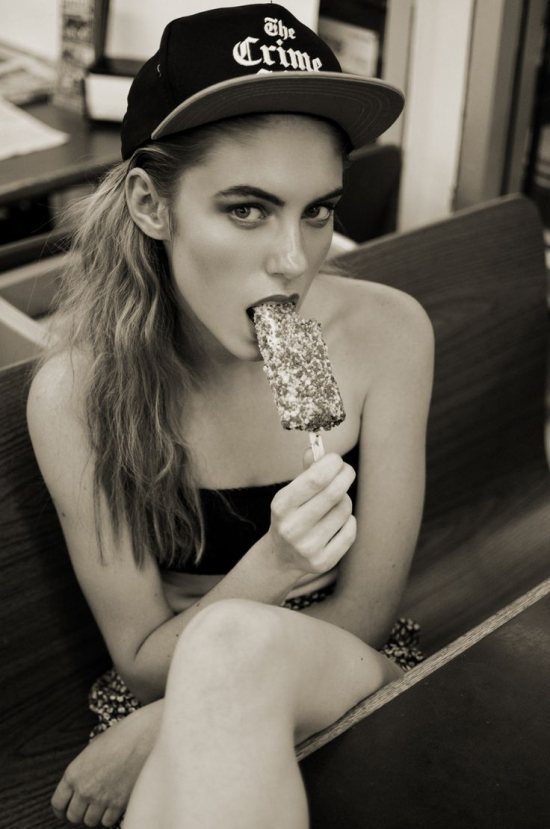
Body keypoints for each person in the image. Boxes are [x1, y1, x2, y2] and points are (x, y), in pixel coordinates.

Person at [27, 4, 434, 827]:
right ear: (151, 204)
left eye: (318, 210)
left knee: (231, 648)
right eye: (248, 209)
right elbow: (142, 666)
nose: (293, 260)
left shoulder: (390, 333)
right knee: (225, 651)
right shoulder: (75, 394)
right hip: (167, 680)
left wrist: (158, 728)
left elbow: (367, 613)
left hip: (346, 662)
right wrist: (275, 564)